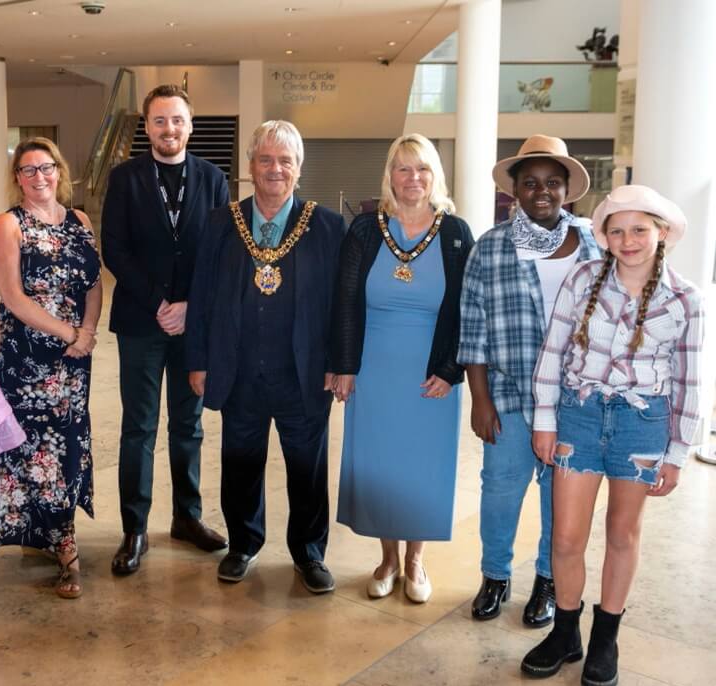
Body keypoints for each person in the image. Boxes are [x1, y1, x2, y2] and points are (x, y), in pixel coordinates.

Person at [521, 185, 703, 686]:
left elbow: (690, 379)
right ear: (604, 237)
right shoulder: (583, 279)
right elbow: (553, 353)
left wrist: (678, 452)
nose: (628, 240)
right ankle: (565, 634)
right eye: (617, 230)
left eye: (639, 229)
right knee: (565, 536)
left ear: (661, 233)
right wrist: (544, 420)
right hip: (578, 418)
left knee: (622, 534)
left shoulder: (687, 299)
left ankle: (605, 639)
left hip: (642, 426)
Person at [186, 120, 345, 593]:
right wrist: (199, 360)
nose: (276, 169)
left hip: (305, 373)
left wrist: (340, 364)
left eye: (286, 161)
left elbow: (343, 304)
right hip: (239, 372)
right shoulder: (221, 223)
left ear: (299, 168)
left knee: (308, 469)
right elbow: (203, 295)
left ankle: (309, 553)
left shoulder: (327, 226)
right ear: (251, 166)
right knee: (240, 461)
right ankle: (242, 544)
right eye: (266, 160)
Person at [459, 135, 601, 627]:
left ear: (567, 190)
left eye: (552, 183)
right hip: (509, 394)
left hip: (574, 401)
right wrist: (479, 400)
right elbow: (472, 328)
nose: (542, 191)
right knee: (500, 488)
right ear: (514, 191)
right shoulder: (490, 247)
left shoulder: (592, 246)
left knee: (557, 496)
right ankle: (494, 575)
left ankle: (547, 579)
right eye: (531, 183)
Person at [330, 134, 474, 604]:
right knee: (380, 465)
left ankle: (415, 561)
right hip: (374, 369)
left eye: (423, 169)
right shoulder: (366, 230)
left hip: (430, 374)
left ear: (436, 176)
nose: (413, 179)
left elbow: (465, 309)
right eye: (404, 169)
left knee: (420, 467)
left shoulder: (455, 233)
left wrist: (452, 369)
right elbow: (345, 301)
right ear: (389, 175)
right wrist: (344, 365)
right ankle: (388, 559)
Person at [101, 84, 230, 575]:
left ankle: (187, 517)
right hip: (141, 320)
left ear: (190, 125)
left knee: (189, 425)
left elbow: (219, 252)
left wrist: (190, 305)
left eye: (177, 120)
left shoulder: (213, 179)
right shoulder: (126, 178)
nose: (168, 129)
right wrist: (159, 302)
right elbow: (115, 248)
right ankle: (134, 527)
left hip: (194, 324)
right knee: (138, 427)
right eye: (159, 121)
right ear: (147, 127)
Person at [0, 138, 102, 599]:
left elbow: (93, 282)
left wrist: (88, 331)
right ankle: (62, 545)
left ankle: (55, 533)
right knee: (35, 447)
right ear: (17, 178)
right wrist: (70, 334)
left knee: (69, 441)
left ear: (60, 170)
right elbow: (12, 298)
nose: (39, 177)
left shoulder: (81, 221)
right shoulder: (7, 225)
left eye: (46, 168)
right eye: (28, 170)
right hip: (26, 358)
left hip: (75, 359)